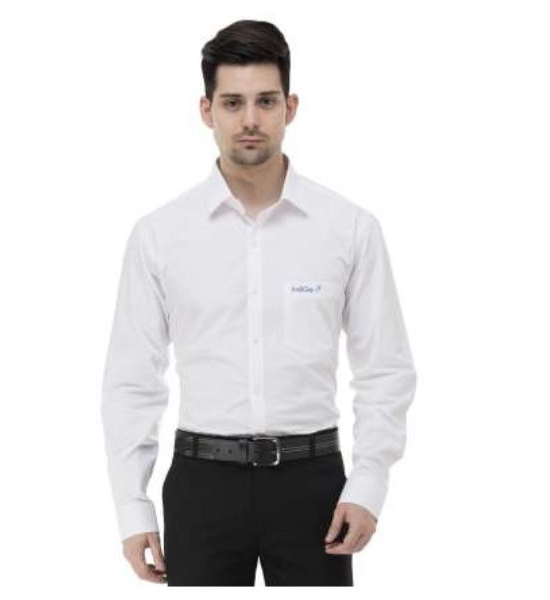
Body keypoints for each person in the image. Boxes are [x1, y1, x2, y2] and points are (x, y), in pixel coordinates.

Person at [100, 19, 417, 586]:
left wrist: (369, 484)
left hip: (314, 486)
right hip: (201, 485)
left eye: (266, 101)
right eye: (233, 102)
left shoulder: (349, 229)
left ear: (290, 108)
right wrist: (132, 506)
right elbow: (131, 380)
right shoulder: (160, 236)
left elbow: (385, 368)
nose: (250, 119)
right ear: (207, 111)